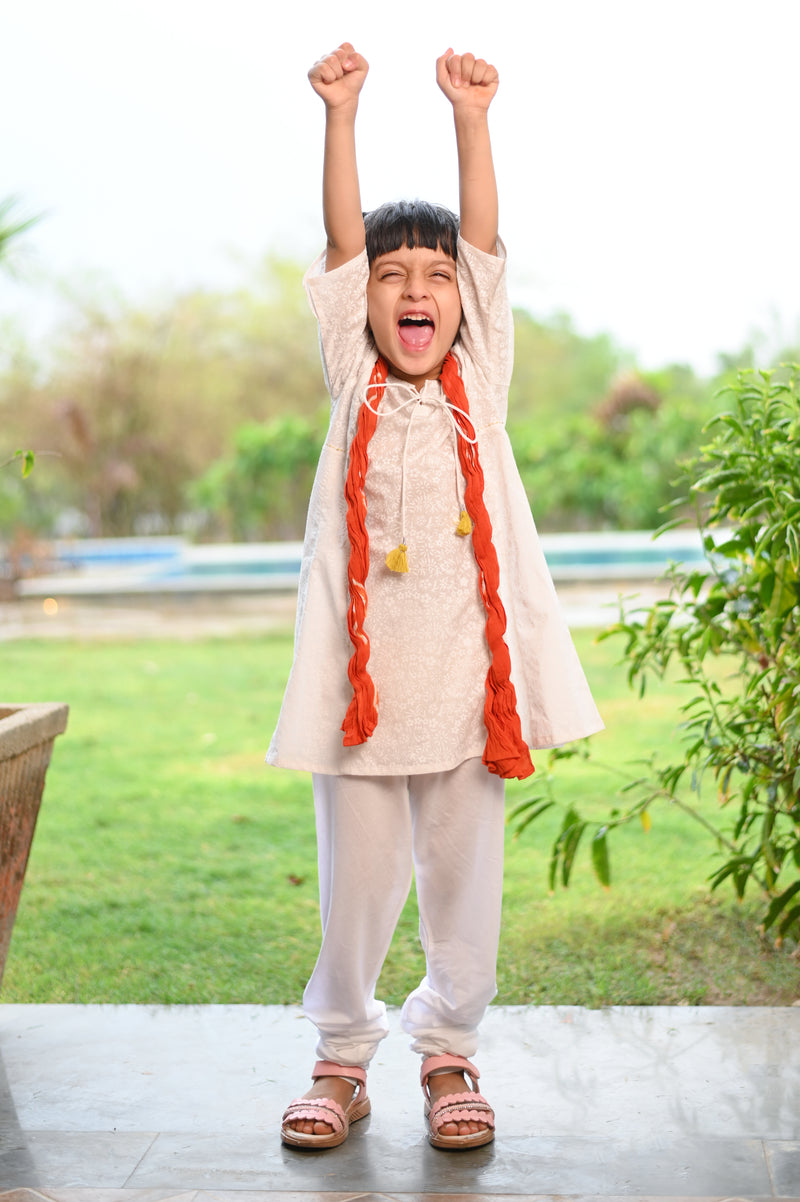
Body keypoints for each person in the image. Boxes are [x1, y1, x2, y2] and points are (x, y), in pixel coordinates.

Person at [270, 42, 603, 1151]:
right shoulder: (354, 375)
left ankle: (449, 1049)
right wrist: (343, 115)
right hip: (360, 698)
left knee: (464, 887)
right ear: (359, 305)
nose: (414, 289)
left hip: (468, 688)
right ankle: (340, 1055)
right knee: (355, 889)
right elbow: (334, 238)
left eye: (433, 275)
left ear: (461, 303)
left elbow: (486, 241)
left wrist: (471, 119)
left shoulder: (481, 380)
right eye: (390, 275)